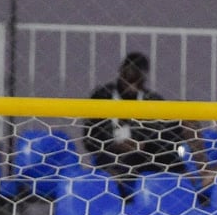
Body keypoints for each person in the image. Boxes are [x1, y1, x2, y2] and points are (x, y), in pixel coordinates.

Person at [82, 51, 208, 194]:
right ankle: (121, 194)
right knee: (116, 168)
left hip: (147, 153)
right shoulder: (102, 96)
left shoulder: (152, 99)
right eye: (128, 76)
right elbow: (89, 140)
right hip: (113, 155)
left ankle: (202, 173)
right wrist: (115, 145)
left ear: (143, 77)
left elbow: (164, 138)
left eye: (136, 77)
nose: (131, 83)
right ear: (121, 72)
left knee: (185, 114)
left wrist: (145, 142)